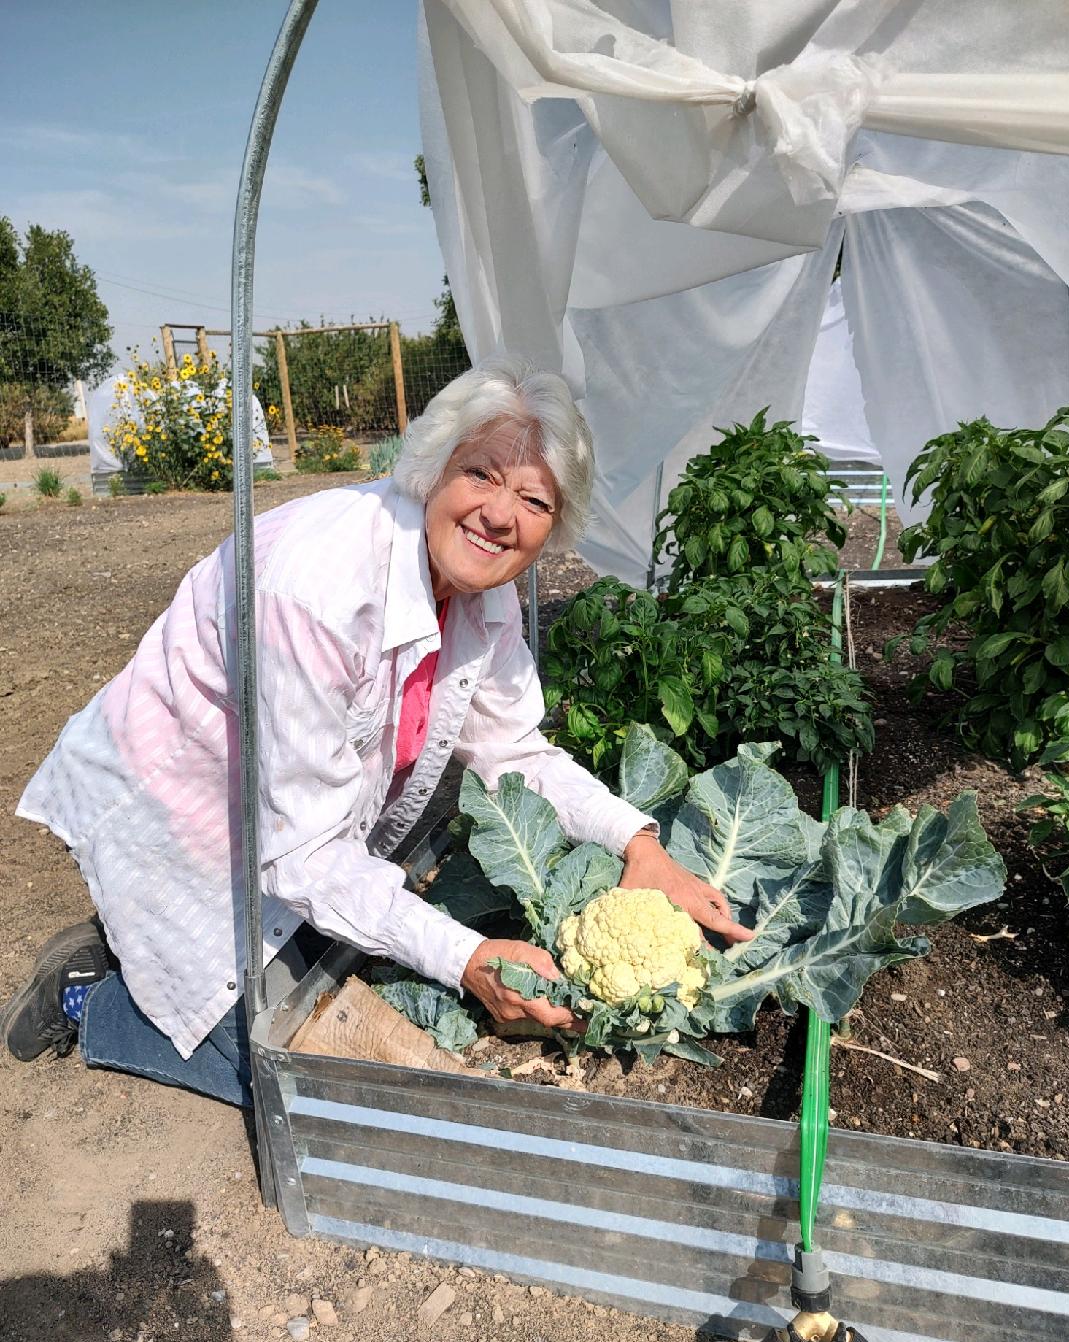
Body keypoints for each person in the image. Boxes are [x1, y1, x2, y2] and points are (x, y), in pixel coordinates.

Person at [2, 356, 750, 1105]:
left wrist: (640, 846)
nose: (500, 514)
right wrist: (466, 959)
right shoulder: (315, 590)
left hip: (284, 810)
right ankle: (88, 997)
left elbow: (515, 753)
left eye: (533, 499)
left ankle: (136, 951)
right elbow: (303, 856)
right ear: (434, 464)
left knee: (334, 953)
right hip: (178, 795)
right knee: (291, 1067)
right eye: (482, 475)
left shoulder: (481, 597)